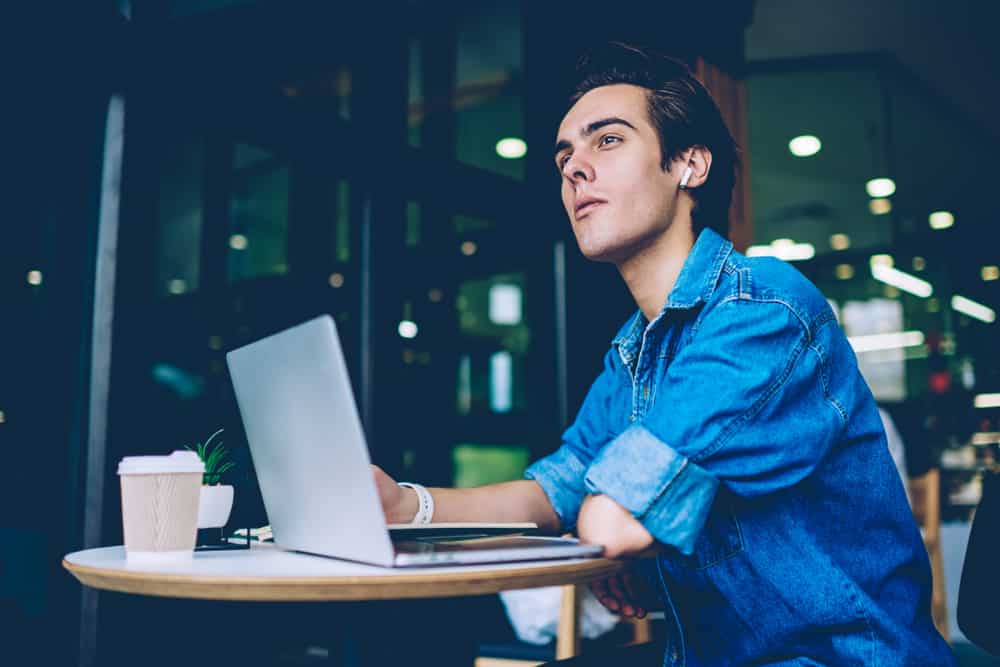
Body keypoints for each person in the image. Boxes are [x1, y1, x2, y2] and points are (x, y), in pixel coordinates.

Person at [374, 42, 955, 665]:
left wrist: (627, 532)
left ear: (689, 166)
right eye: (564, 154)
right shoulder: (632, 353)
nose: (573, 168)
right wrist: (407, 504)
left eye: (608, 141)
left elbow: (612, 521)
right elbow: (559, 490)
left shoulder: (762, 309)